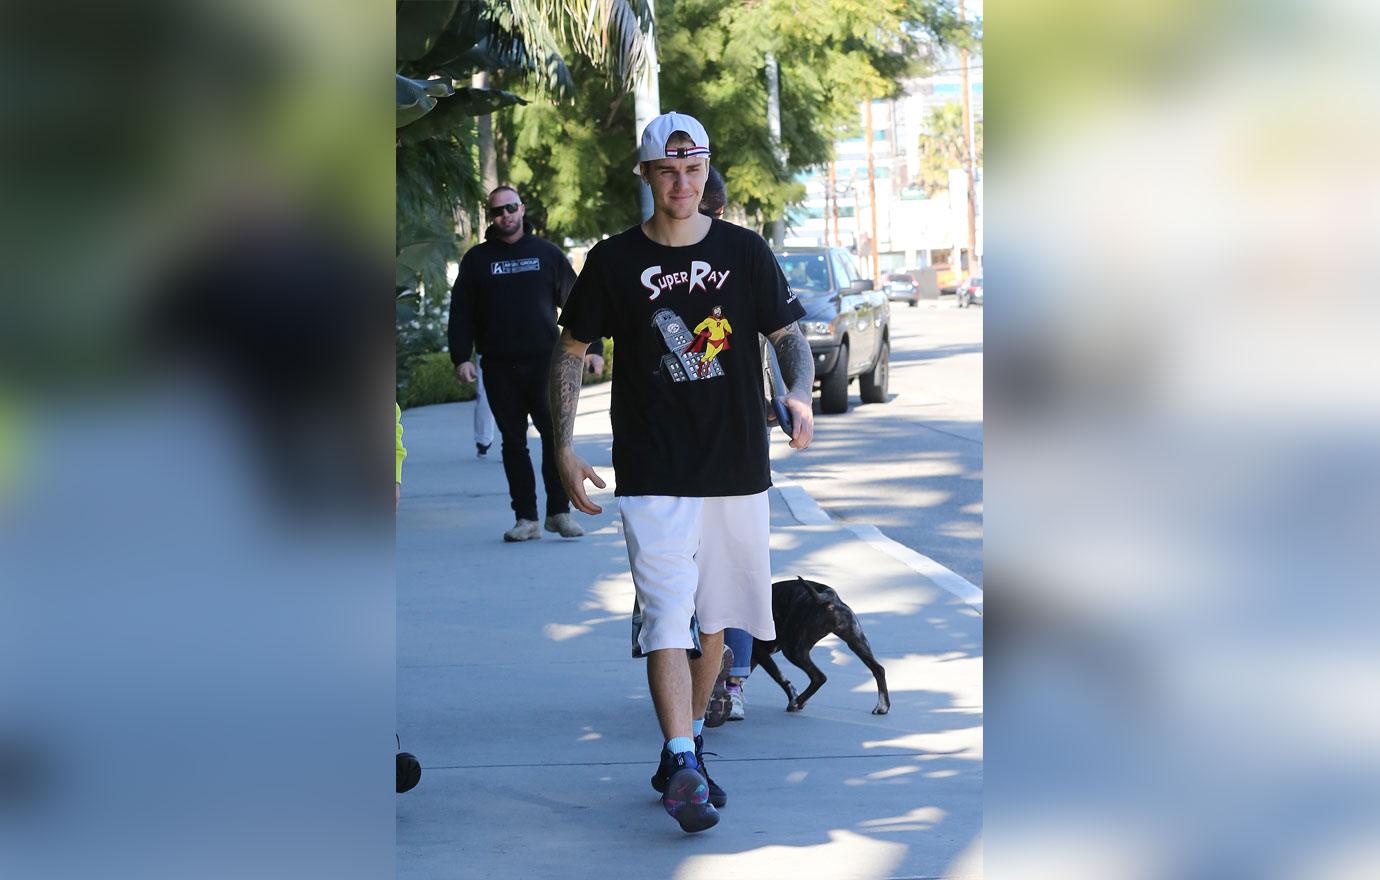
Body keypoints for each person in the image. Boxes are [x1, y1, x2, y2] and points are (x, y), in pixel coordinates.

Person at [548, 112, 816, 833]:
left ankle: (686, 749)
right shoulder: (612, 261)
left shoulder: (746, 251)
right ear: (647, 176)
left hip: (736, 467)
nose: (682, 182)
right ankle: (680, 753)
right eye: (668, 171)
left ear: (706, 169)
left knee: (722, 617)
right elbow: (571, 350)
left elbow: (787, 336)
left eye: (693, 168)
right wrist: (562, 446)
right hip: (653, 469)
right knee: (670, 614)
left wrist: (797, 392)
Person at [448, 186, 604, 542]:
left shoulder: (546, 254)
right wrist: (461, 357)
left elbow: (579, 302)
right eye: (498, 211)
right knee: (513, 443)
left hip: (544, 364)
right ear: (492, 217)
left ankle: (559, 513)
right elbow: (461, 313)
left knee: (555, 439)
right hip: (499, 367)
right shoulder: (477, 260)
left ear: (522, 209)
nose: (506, 215)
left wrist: (593, 346)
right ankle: (526, 518)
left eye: (511, 207)